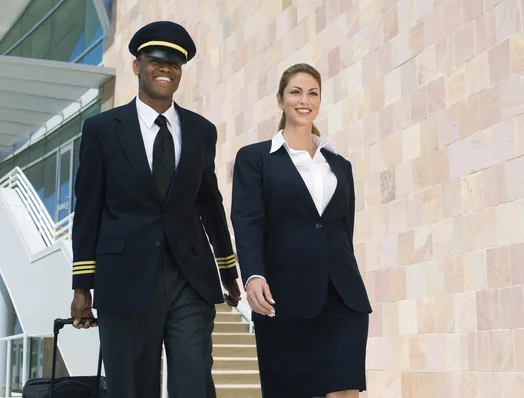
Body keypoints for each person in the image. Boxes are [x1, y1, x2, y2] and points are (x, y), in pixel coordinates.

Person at [68, 20, 242, 398]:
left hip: (189, 278)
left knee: (194, 384)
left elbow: (210, 204)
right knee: (131, 387)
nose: (165, 69)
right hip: (124, 278)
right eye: (156, 61)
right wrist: (83, 285)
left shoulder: (201, 131)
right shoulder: (101, 129)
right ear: (136, 67)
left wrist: (228, 269)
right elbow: (88, 210)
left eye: (174, 64)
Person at [230, 63, 372, 398]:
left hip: (342, 296)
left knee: (344, 391)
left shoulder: (339, 164)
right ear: (280, 100)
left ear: (320, 101)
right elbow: (247, 222)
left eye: (312, 93)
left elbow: (343, 231)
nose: (304, 100)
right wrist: (253, 275)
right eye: (295, 92)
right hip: (284, 297)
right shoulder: (255, 159)